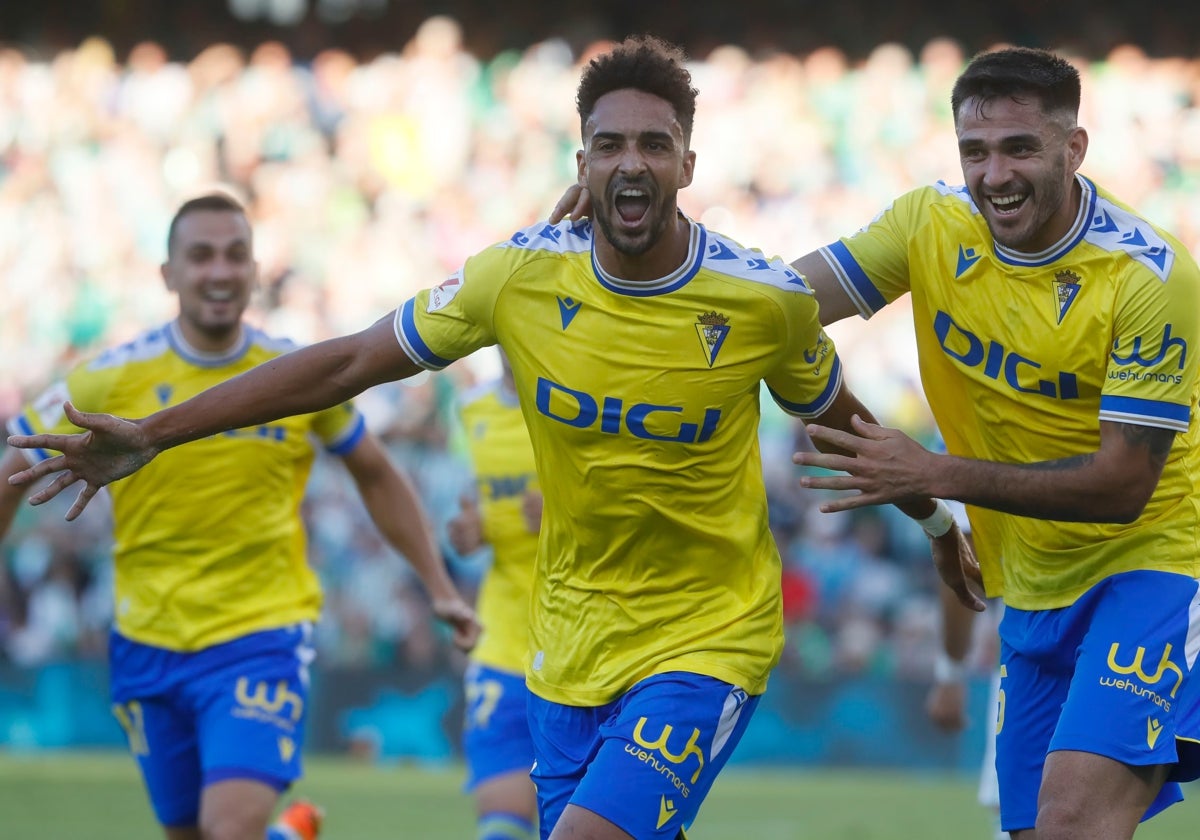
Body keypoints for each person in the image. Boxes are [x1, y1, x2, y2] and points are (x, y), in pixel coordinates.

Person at [6, 37, 980, 840]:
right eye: (608, 145)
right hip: (564, 648)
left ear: (688, 162)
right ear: (581, 164)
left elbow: (849, 423)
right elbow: (347, 363)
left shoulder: (764, 302)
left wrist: (937, 526)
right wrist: (158, 434)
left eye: (653, 143)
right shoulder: (513, 280)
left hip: (706, 639)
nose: (630, 163)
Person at [787, 47, 1200, 840]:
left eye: (1019, 148)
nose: (994, 174)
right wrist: (603, 255)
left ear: (1073, 150)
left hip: (1154, 565)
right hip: (1029, 589)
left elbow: (1123, 486)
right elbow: (776, 303)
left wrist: (935, 475)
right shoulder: (927, 224)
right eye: (975, 151)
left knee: (1071, 823)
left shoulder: (1147, 275)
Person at [0, 191, 479, 840]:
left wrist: (440, 585)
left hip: (262, 635)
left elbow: (375, 472)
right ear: (168, 274)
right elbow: (13, 467)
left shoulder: (296, 376)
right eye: (200, 257)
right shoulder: (106, 381)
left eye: (235, 256)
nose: (219, 272)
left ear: (256, 271)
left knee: (230, 827)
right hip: (148, 640)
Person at [445, 348, 541, 840]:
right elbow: (478, 502)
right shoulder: (471, 409)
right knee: (500, 824)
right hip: (503, 637)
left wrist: (578, 514)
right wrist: (472, 531)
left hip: (589, 641)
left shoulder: (600, 400)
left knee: (587, 821)